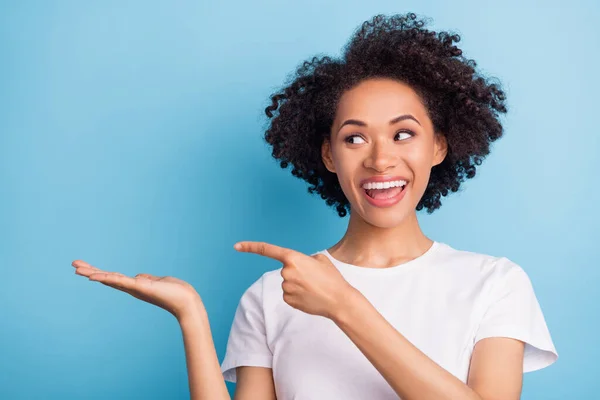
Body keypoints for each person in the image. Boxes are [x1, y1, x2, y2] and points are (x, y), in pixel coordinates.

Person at [72, 12, 558, 400]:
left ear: (439, 147)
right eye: (354, 138)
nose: (381, 158)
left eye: (403, 133)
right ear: (328, 154)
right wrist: (191, 317)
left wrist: (346, 307)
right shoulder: (273, 294)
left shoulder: (495, 283)